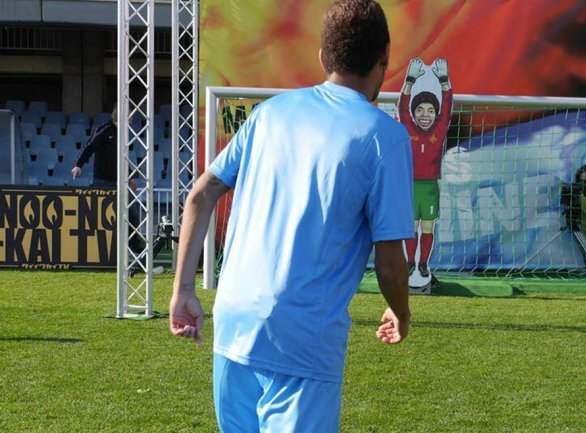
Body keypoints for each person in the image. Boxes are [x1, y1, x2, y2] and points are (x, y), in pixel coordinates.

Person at [169, 1, 414, 432]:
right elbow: (391, 266)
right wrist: (401, 312)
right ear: (385, 57)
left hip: (234, 320)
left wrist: (183, 290)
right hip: (302, 338)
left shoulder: (269, 113)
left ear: (323, 57)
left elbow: (200, 195)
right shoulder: (385, 137)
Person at [398, 57, 453, 278]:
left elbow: (447, 109)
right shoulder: (408, 129)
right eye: (420, 110)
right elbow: (402, 108)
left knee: (427, 228)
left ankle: (423, 264)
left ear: (435, 114)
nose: (424, 115)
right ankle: (410, 262)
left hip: (430, 188)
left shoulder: (438, 132)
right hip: (411, 187)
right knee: (411, 228)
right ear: (414, 114)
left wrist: (444, 81)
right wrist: (409, 80)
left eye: (430, 111)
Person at [71, 105, 142, 255]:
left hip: (120, 182)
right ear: (120, 116)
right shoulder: (104, 130)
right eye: (129, 117)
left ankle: (135, 248)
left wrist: (130, 176)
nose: (131, 120)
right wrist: (78, 165)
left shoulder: (124, 135)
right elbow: (89, 147)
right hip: (103, 181)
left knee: (132, 214)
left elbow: (122, 159)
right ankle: (96, 248)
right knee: (100, 216)